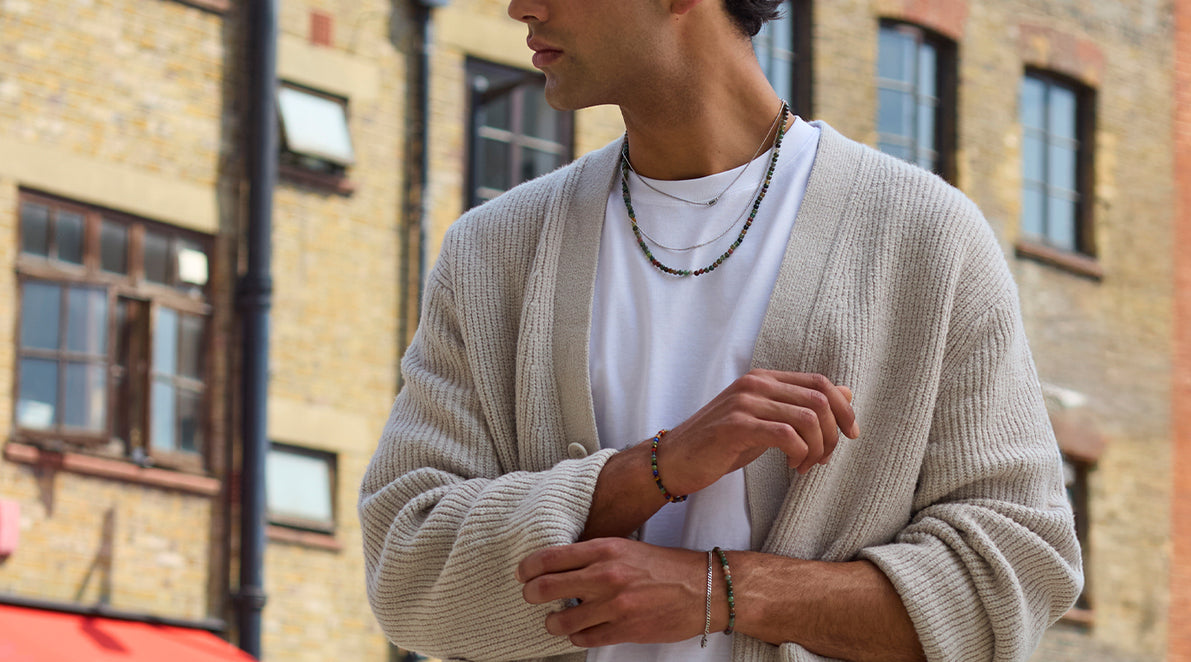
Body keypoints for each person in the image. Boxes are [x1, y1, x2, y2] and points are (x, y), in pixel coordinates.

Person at [358, 0, 1083, 659]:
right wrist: (655, 471)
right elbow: (404, 564)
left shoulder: (926, 239)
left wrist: (723, 591)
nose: (520, 7)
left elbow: (1015, 571)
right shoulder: (495, 252)